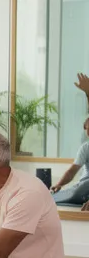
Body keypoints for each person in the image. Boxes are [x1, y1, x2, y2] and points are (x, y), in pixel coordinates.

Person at [51, 73, 89, 210]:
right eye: (86, 130)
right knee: (80, 188)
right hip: (83, 188)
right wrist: (59, 184)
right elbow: (71, 171)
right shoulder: (85, 148)